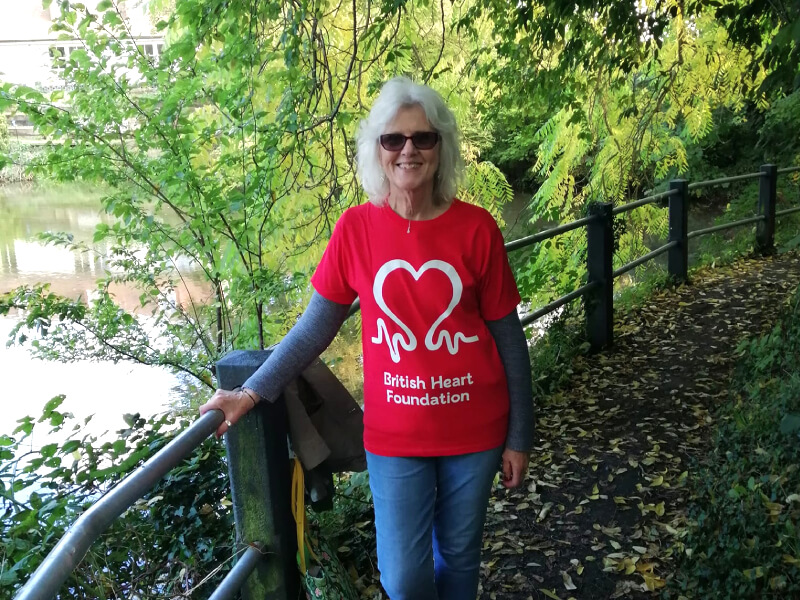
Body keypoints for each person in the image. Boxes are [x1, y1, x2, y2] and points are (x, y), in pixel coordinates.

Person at [200, 76, 534, 600]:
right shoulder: (356, 229)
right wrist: (251, 392)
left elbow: (510, 341)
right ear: (376, 150)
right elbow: (315, 327)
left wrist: (519, 436)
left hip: (476, 432)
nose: (408, 150)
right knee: (404, 577)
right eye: (393, 139)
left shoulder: (477, 229)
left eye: (423, 138)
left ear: (440, 149)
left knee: (461, 559)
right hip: (395, 438)